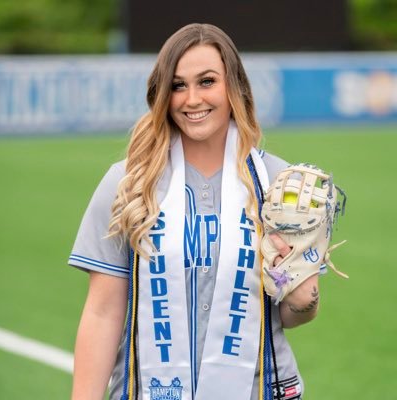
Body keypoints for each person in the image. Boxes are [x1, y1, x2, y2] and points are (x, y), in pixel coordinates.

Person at [69, 23, 319, 400]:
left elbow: (287, 315)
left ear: (234, 86)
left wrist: (303, 301)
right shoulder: (127, 183)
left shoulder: (278, 183)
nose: (191, 99)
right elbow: (103, 313)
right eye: (178, 85)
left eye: (206, 82)